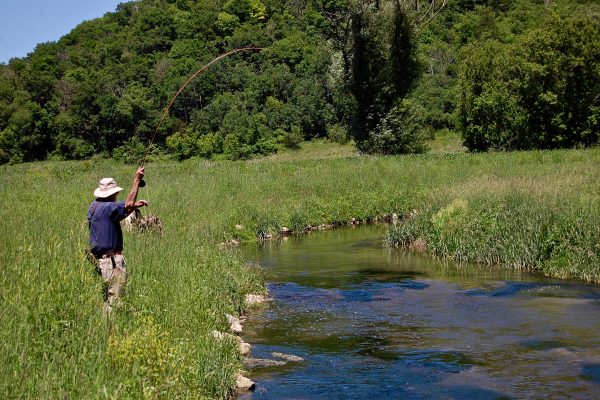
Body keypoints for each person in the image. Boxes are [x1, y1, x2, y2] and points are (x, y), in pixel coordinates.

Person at [88, 167, 148, 313]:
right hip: (112, 261)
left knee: (108, 299)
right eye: (116, 193)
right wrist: (137, 180)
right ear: (113, 193)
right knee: (115, 302)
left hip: (101, 262)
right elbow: (126, 204)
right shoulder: (109, 207)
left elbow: (117, 214)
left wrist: (133, 207)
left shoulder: (94, 207)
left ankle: (106, 328)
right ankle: (110, 331)